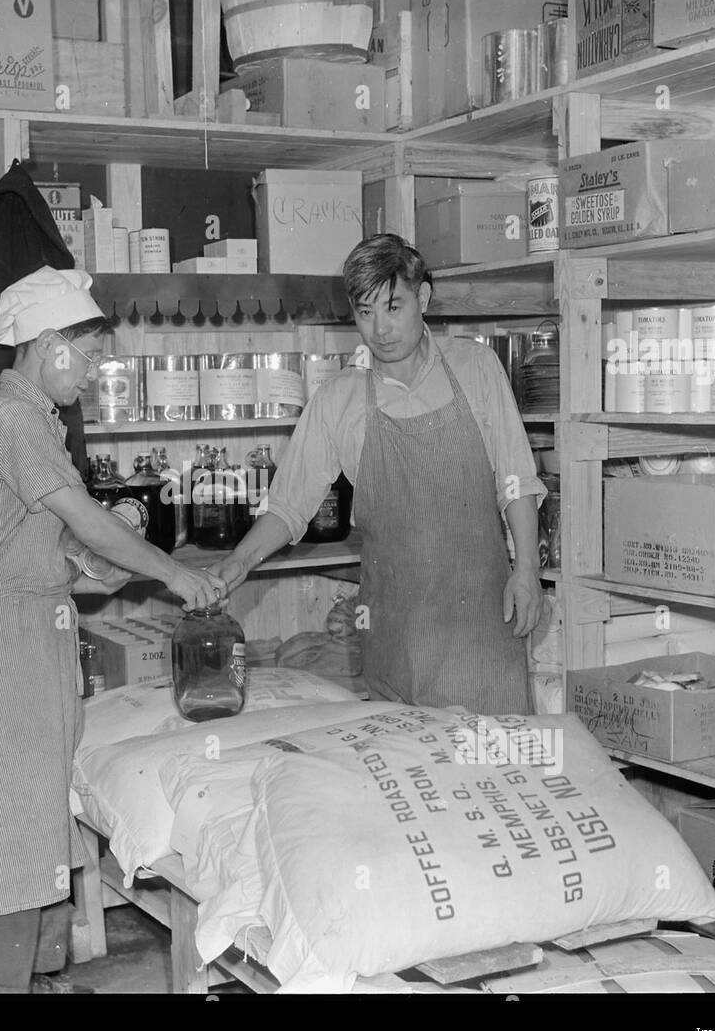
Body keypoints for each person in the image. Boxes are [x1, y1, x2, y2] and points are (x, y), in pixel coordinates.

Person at [0, 266, 222, 993]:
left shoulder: (37, 421)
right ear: (47, 341)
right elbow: (83, 520)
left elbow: (64, 545)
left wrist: (109, 565)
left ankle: (30, 979)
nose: (95, 371)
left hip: (36, 636)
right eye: (88, 353)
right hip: (3, 649)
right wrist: (169, 570)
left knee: (37, 821)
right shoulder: (7, 418)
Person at [212, 234, 545, 714]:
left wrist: (528, 572)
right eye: (365, 313)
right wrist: (238, 562)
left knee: (489, 772)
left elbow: (516, 478)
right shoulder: (338, 399)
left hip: (482, 623)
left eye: (393, 307)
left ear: (422, 298)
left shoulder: (476, 367)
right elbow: (288, 506)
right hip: (394, 631)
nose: (380, 329)